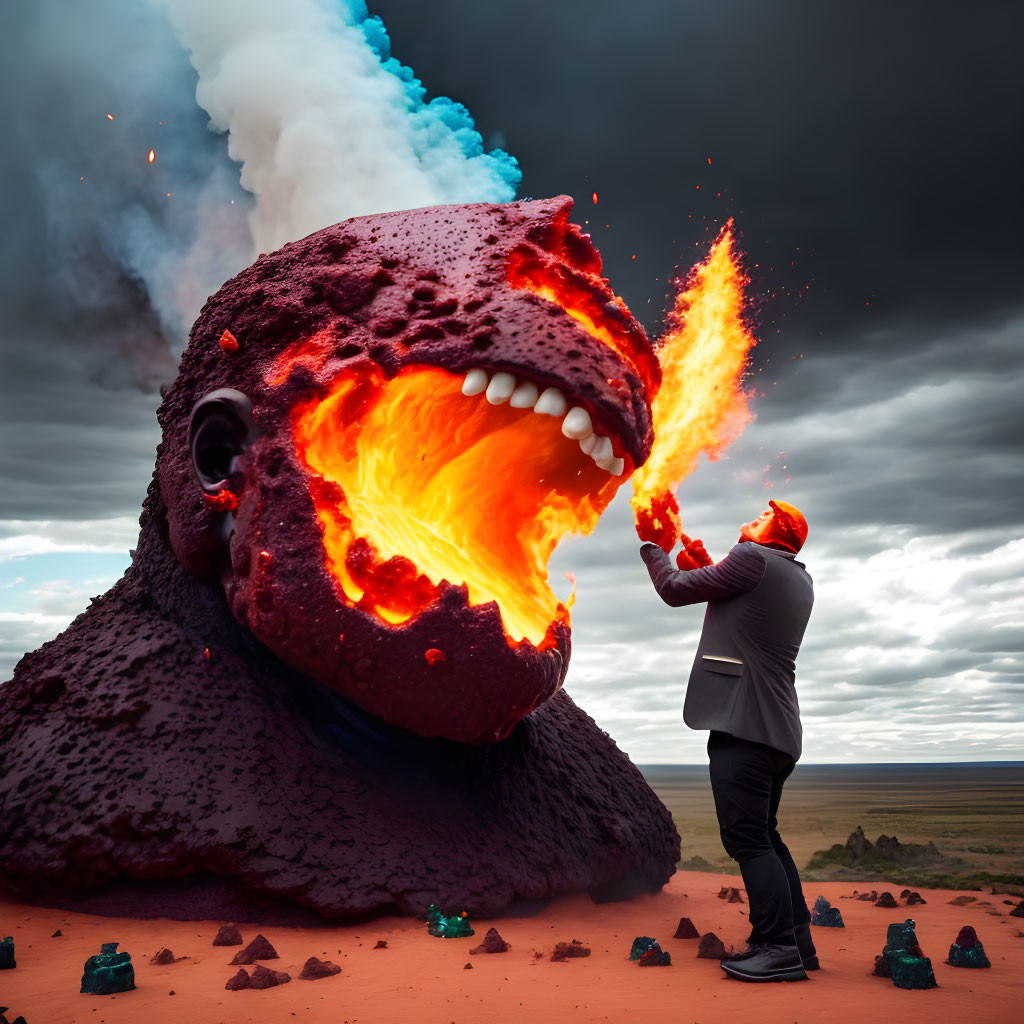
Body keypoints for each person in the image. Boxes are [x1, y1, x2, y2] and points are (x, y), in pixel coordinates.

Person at [638, 499, 816, 982]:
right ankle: (798, 943)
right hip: (777, 730)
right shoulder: (796, 575)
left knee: (748, 840)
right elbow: (728, 593)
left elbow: (674, 591)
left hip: (745, 725)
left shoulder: (754, 559)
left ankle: (776, 948)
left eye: (763, 515)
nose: (752, 516)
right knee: (766, 836)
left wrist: (653, 548)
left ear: (775, 532)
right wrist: (703, 565)